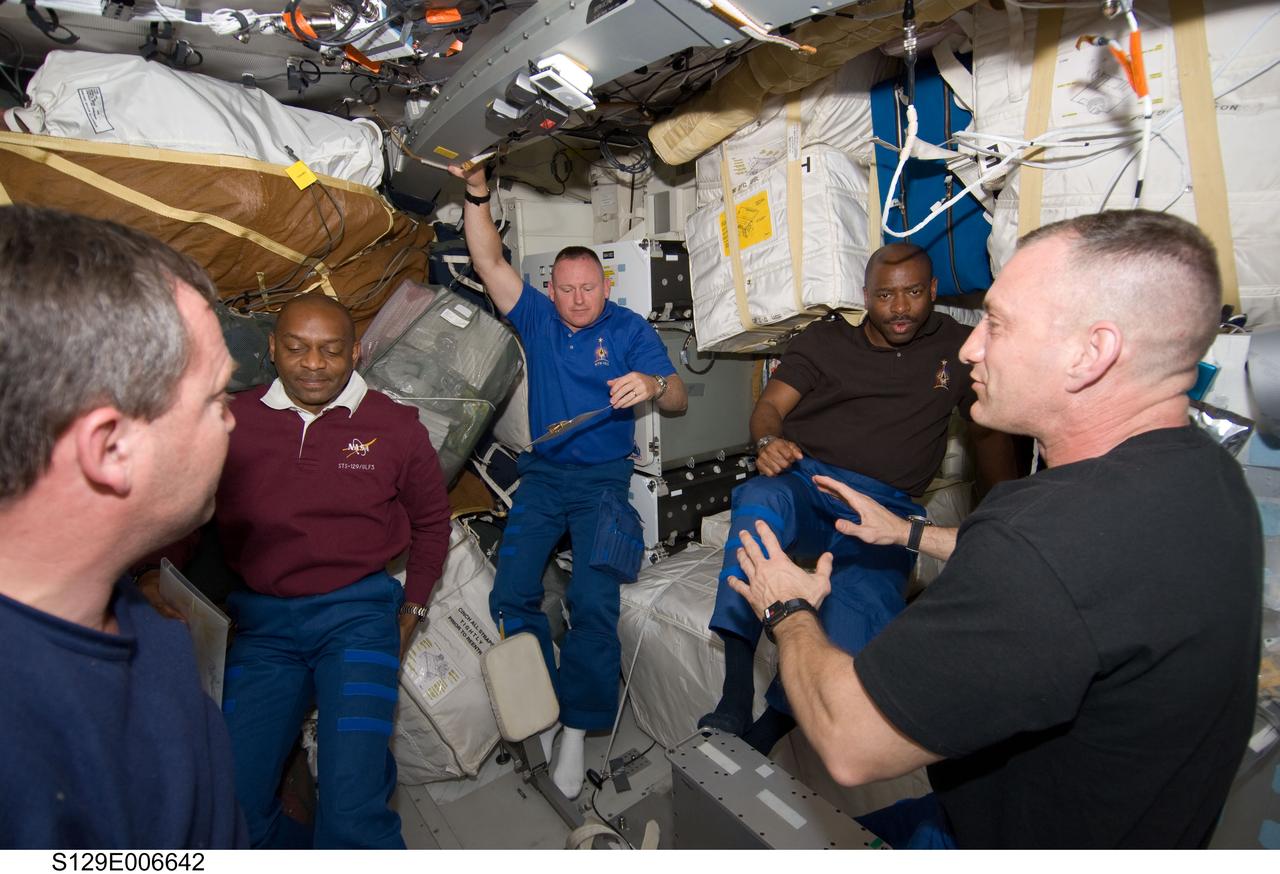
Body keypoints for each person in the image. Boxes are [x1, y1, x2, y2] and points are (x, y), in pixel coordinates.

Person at [726, 209, 1262, 848]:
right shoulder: (1209, 476)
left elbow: (850, 741)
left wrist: (787, 607)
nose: (972, 345)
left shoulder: (1037, 546)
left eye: (999, 324)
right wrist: (911, 535)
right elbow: (1089, 584)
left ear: (1094, 351)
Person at [144, 293, 452, 848]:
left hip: (356, 618)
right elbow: (188, 514)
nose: (314, 363)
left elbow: (433, 524)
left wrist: (414, 607)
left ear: (355, 353)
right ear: (272, 348)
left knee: (352, 805)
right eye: (297, 348)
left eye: (331, 351)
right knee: (228, 801)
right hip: (263, 628)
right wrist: (152, 573)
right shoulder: (232, 422)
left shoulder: (395, 428)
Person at [701, 243, 1013, 753]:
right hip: (810, 481)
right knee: (759, 502)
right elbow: (770, 406)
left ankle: (766, 733)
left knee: (860, 617)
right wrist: (766, 443)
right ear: (865, 297)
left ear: (932, 291)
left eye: (913, 292)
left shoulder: (958, 348)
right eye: (885, 295)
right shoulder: (825, 340)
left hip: (887, 508)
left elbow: (990, 428)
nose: (900, 307)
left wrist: (1003, 511)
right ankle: (735, 694)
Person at [0, 205, 246, 848]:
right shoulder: (29, 760)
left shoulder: (118, 607)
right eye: (217, 399)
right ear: (110, 450)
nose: (232, 423)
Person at [450, 162, 688, 799]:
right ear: (549, 289)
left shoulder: (630, 329)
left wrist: (654, 384)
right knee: (511, 593)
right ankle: (549, 700)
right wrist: (477, 191)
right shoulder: (535, 318)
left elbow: (679, 400)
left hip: (604, 485)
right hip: (543, 477)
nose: (579, 299)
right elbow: (487, 256)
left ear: (604, 285)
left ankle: (579, 725)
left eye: (590, 287)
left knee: (592, 602)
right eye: (567, 288)